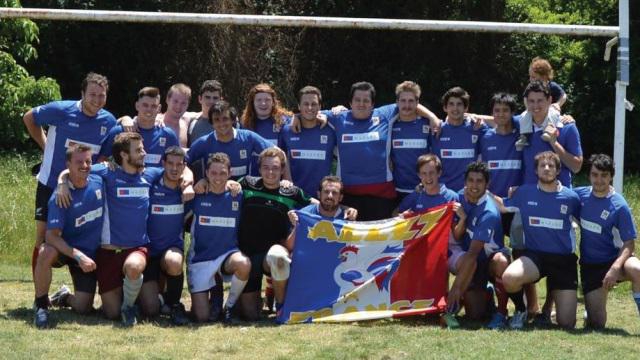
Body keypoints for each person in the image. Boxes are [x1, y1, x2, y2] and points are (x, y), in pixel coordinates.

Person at [57, 132, 193, 326]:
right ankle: (65, 296)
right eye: (138, 150)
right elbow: (76, 169)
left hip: (137, 248)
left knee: (143, 289)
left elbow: (181, 169)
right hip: (109, 251)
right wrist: (62, 183)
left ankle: (129, 307)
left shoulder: (150, 174)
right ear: (123, 155)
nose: (144, 153)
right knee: (111, 313)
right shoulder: (107, 171)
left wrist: (189, 183)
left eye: (143, 148)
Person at [23, 72, 116, 277]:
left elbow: (103, 157)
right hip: (49, 183)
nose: (97, 100)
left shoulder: (109, 121)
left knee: (81, 235)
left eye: (102, 95)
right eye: (92, 94)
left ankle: (81, 284)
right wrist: (45, 145)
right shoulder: (62, 110)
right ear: (82, 93)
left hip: (83, 188)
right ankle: (40, 295)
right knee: (43, 237)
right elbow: (29, 117)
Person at [497, 151, 581, 329]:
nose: (547, 169)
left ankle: (557, 310)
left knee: (567, 323)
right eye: (542, 166)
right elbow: (503, 206)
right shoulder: (524, 192)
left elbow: (587, 222)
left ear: (558, 171)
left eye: (551, 166)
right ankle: (521, 310)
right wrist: (479, 193)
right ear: (536, 171)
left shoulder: (571, 198)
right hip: (535, 256)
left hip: (563, 260)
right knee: (510, 278)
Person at [235, 148, 312, 320]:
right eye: (266, 167)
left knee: (280, 259)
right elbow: (224, 185)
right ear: (260, 169)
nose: (270, 172)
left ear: (282, 169)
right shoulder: (247, 183)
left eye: (275, 168)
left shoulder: (292, 192)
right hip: (246, 256)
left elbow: (318, 206)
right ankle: (261, 296)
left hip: (272, 254)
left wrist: (346, 210)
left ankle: (281, 305)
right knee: (249, 316)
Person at [32, 145, 105, 328]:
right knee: (45, 251)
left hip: (89, 252)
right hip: (65, 249)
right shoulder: (61, 196)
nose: (85, 165)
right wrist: (78, 256)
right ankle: (41, 305)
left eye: (88, 161)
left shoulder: (99, 180)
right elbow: (51, 236)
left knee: (83, 307)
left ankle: (63, 296)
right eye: (79, 162)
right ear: (68, 164)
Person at [575, 154, 640, 328]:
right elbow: (556, 194)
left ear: (611, 176)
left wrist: (615, 268)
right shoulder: (579, 196)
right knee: (597, 324)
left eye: (604, 175)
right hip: (591, 266)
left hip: (617, 261)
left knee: (638, 269)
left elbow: (629, 243)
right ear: (589, 176)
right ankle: (590, 310)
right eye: (595, 175)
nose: (599, 180)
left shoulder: (619, 206)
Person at [446, 162, 511, 329]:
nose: (474, 185)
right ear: (465, 182)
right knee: (475, 315)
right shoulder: (459, 197)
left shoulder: (489, 211)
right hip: (471, 262)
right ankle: (487, 294)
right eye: (471, 180)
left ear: (487, 184)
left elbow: (474, 253)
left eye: (479, 181)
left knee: (501, 261)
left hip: (488, 260)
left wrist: (455, 289)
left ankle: (501, 313)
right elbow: (457, 235)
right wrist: (462, 219)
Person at [188, 153, 251, 324]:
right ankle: (214, 295)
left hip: (226, 255)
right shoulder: (197, 195)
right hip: (200, 258)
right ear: (206, 173)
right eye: (213, 173)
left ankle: (229, 307)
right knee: (202, 317)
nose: (218, 177)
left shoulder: (237, 194)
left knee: (244, 264)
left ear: (230, 173)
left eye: (223, 173)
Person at [137, 146, 190, 325]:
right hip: (148, 252)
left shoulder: (187, 192)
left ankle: (175, 304)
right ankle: (157, 297)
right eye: (170, 164)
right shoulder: (151, 185)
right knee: (150, 310)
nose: (174, 169)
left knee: (175, 262)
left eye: (179, 164)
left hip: (171, 249)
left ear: (184, 166)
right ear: (163, 164)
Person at [187, 101, 273, 181]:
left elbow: (278, 153)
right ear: (212, 123)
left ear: (232, 120)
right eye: (217, 120)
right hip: (213, 194)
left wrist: (285, 181)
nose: (221, 124)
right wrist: (190, 182)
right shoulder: (204, 142)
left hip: (243, 194)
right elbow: (183, 162)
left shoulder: (248, 138)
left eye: (225, 119)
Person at [520, 80, 582, 187]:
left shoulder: (567, 127)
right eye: (531, 101)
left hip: (560, 198)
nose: (535, 106)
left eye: (540, 100)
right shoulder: (521, 123)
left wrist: (554, 143)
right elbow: (498, 120)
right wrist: (480, 119)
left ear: (549, 100)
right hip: (530, 196)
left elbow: (576, 167)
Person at [99, 87, 179, 167]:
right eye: (145, 105)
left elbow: (180, 162)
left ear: (159, 108)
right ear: (137, 105)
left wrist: (187, 174)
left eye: (153, 106)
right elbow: (102, 160)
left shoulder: (168, 135)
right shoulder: (120, 131)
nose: (149, 109)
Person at [278, 86, 336, 196]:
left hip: (324, 197)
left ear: (320, 106)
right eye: (305, 104)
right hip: (295, 195)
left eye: (314, 104)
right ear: (299, 106)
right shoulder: (287, 130)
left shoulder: (331, 130)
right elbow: (282, 156)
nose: (310, 107)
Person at [430, 87, 488, 192]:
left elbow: (501, 123)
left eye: (459, 104)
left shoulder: (477, 128)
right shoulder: (437, 131)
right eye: (451, 104)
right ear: (445, 108)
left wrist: (474, 117)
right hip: (444, 193)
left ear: (466, 108)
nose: (455, 108)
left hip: (470, 193)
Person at [390, 81, 434, 202]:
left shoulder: (428, 124)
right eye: (403, 101)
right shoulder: (390, 125)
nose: (407, 105)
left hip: (424, 189)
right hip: (397, 190)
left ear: (417, 103)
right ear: (397, 102)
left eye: (411, 101)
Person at [515, 57, 567, 150]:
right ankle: (524, 136)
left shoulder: (552, 85)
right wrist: (529, 108)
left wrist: (557, 104)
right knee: (524, 116)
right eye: (530, 76)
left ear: (544, 76)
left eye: (533, 77)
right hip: (534, 111)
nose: (531, 79)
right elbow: (525, 98)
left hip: (549, 110)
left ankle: (548, 131)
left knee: (552, 112)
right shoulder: (530, 87)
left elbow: (563, 96)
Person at [240, 83, 292, 175]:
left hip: (276, 180)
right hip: (253, 181)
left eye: (267, 100)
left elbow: (307, 115)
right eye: (259, 100)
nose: (263, 103)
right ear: (252, 103)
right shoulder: (244, 124)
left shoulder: (283, 121)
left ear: (273, 102)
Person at [187, 80, 224, 147]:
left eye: (215, 98)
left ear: (221, 100)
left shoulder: (230, 123)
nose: (211, 101)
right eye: (207, 97)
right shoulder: (191, 122)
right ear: (200, 99)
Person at [158, 83, 196, 147]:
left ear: (188, 105)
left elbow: (203, 113)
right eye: (175, 101)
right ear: (167, 100)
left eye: (183, 103)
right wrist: (135, 121)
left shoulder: (186, 120)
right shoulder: (157, 121)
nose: (178, 106)